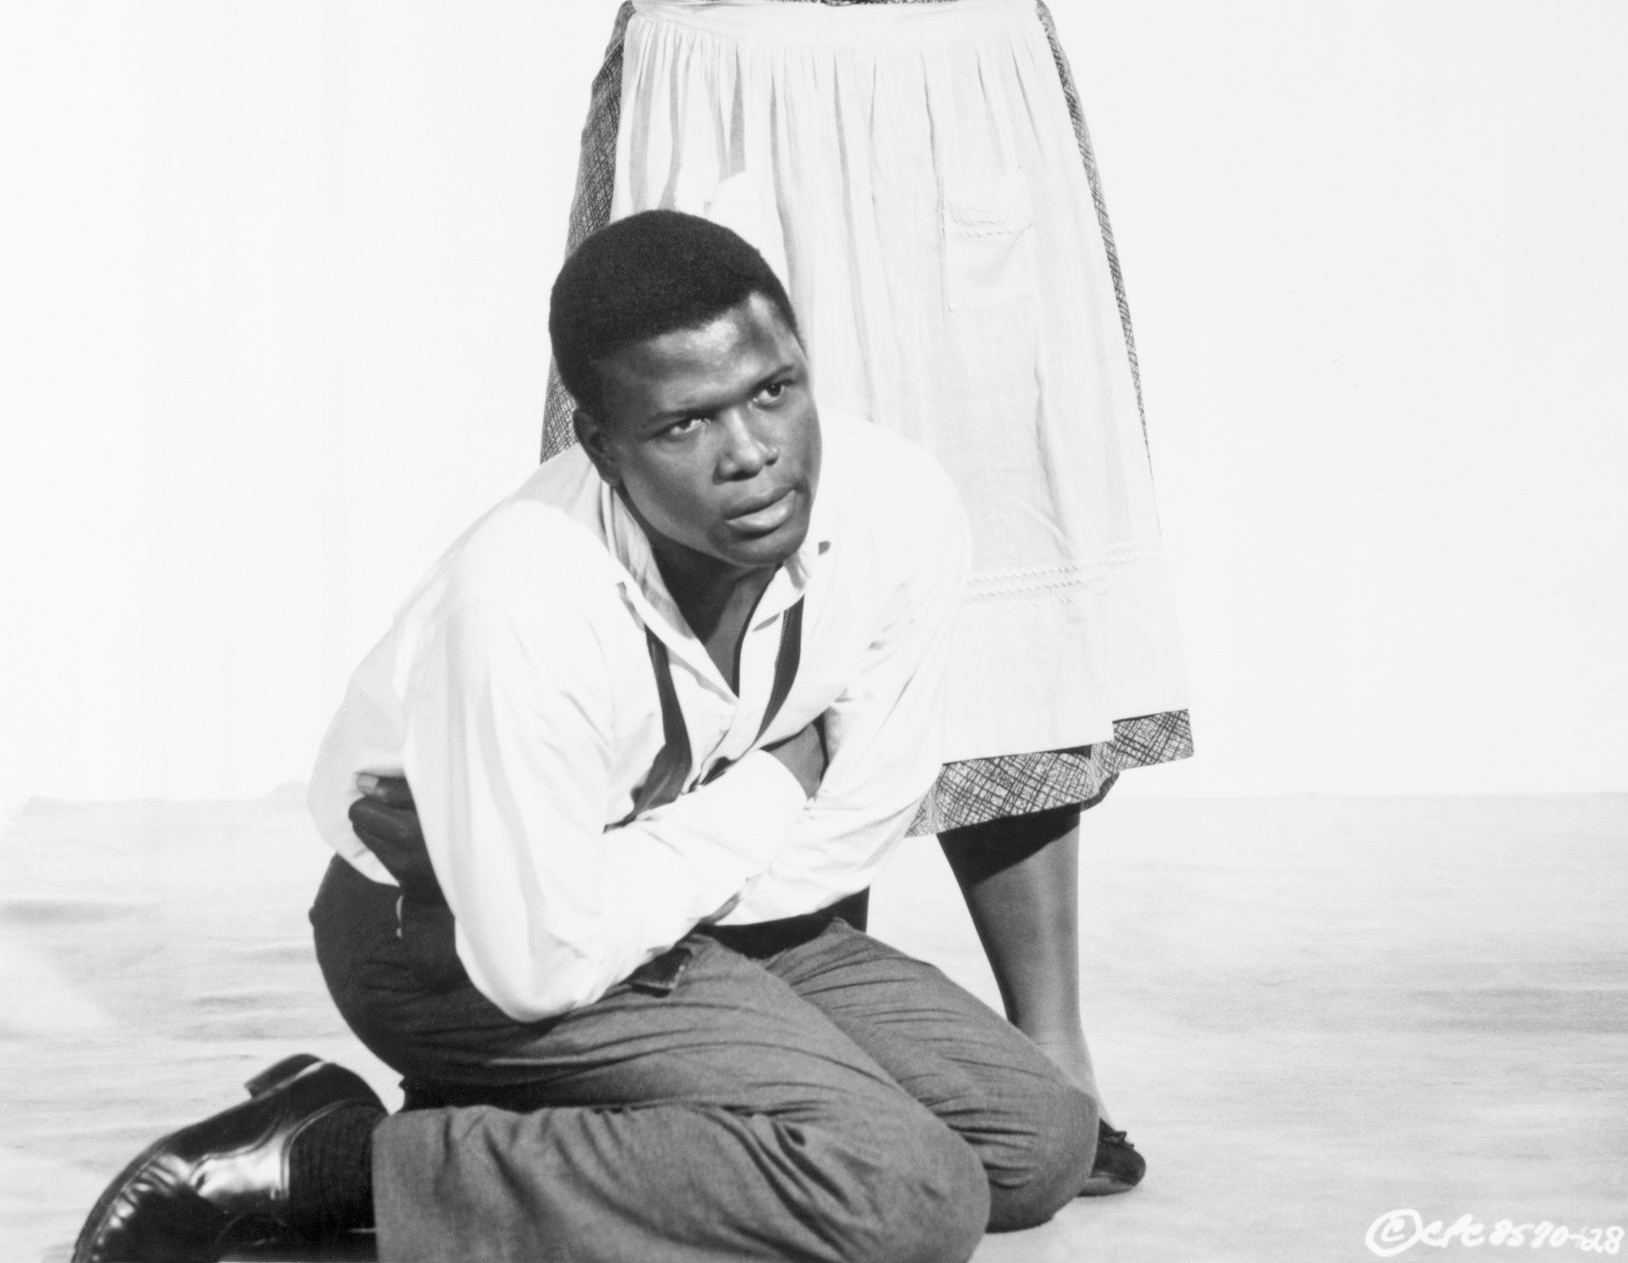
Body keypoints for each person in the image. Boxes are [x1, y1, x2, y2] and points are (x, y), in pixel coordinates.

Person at [363, 0, 1227, 1188]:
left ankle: (1047, 1065)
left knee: (990, 557)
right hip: (710, 113)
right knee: (702, 563)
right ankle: (698, 1009)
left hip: (955, 119)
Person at [74, 211, 1096, 1263]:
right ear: (602, 447)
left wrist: (613, 879)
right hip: (440, 935)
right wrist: (770, 785)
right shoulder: (523, 599)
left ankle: (565, 1126)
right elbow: (537, 960)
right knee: (908, 1193)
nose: (752, 452)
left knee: (1032, 1141)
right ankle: (327, 1162)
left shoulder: (899, 509)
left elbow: (858, 816)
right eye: (684, 425)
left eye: (773, 390)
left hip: (700, 913)